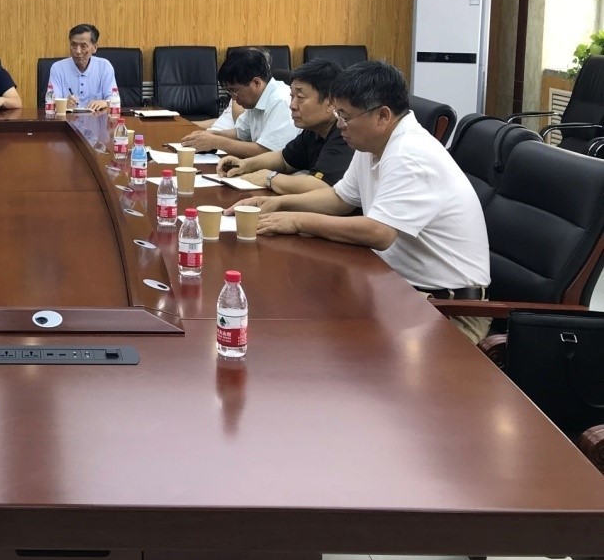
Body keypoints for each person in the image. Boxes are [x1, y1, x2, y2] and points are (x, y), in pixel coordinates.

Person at [237, 61, 490, 343]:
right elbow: (339, 199)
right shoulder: (372, 144)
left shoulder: (410, 154)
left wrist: (297, 221)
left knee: (330, 343)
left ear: (382, 115)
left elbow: (379, 233)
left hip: (447, 309)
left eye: (345, 116)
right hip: (398, 288)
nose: (339, 125)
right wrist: (279, 204)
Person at [215, 59, 352, 193]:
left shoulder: (345, 133)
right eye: (292, 96)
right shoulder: (314, 130)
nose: (292, 105)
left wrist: (270, 178)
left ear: (331, 102)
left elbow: (321, 186)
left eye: (300, 97)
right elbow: (284, 159)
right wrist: (245, 164)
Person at [180, 47, 297, 157]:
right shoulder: (256, 99)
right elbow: (241, 133)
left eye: (234, 91)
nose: (234, 98)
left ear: (256, 83)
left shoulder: (281, 101)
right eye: (229, 92)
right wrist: (211, 135)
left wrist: (216, 142)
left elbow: (269, 152)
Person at [46, 24, 118, 113]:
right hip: (68, 120)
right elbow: (51, 102)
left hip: (97, 120)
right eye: (74, 45)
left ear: (94, 48)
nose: (78, 51)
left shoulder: (105, 67)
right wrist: (64, 104)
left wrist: (104, 102)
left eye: (83, 46)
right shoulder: (58, 68)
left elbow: (114, 99)